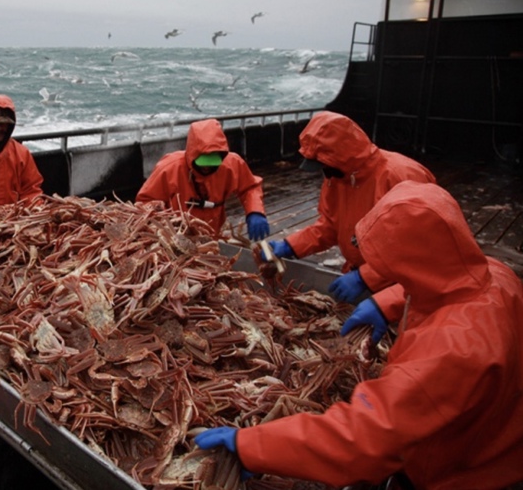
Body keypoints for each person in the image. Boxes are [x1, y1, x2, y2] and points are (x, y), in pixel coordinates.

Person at [196, 181, 523, 488]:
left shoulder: (452, 351)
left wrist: (253, 445)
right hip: (496, 437)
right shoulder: (496, 273)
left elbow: (366, 437)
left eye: (391, 267)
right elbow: (447, 285)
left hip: (462, 473)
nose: (382, 272)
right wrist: (386, 302)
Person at [263, 111, 435, 322]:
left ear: (342, 157)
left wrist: (367, 278)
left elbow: (421, 251)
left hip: (406, 287)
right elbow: (329, 227)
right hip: (358, 275)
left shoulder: (401, 176)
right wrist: (290, 245)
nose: (324, 172)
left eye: (325, 165)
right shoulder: (337, 177)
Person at [136, 118, 269, 241]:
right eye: (202, 163)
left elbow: (250, 187)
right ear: (192, 155)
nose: (206, 168)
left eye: (212, 163)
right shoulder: (169, 168)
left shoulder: (232, 164)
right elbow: (146, 202)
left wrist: (255, 211)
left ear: (222, 157)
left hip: (212, 236)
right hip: (175, 236)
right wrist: (162, 226)